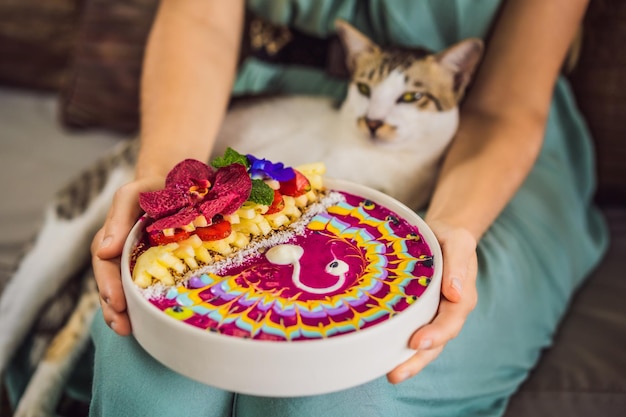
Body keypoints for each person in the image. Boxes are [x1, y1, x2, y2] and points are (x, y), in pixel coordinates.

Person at [90, 0, 608, 416]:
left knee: (335, 388)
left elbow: (506, 104)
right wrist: (169, 180)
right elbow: (200, 15)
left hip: (482, 148)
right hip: (276, 103)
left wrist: (453, 226)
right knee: (150, 362)